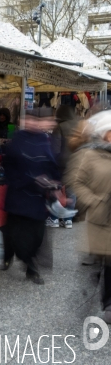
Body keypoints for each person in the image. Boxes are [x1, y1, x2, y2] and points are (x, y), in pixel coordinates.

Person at [2, 107, 59, 285]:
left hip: (37, 197)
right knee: (17, 235)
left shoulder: (44, 140)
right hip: (19, 196)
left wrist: (53, 182)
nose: (33, 123)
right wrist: (29, 179)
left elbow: (51, 164)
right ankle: (30, 267)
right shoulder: (17, 140)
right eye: (30, 120)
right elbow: (9, 166)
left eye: (36, 120)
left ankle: (27, 261)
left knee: (37, 235)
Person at [70, 112, 111, 322]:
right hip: (99, 220)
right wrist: (94, 201)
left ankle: (108, 305)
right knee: (96, 266)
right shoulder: (91, 155)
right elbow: (78, 183)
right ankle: (86, 299)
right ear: (105, 134)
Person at [48, 105, 78, 228]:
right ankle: (68, 220)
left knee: (56, 189)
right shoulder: (79, 126)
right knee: (72, 191)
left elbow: (55, 149)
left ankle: (54, 218)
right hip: (76, 163)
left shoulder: (59, 127)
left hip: (61, 164)